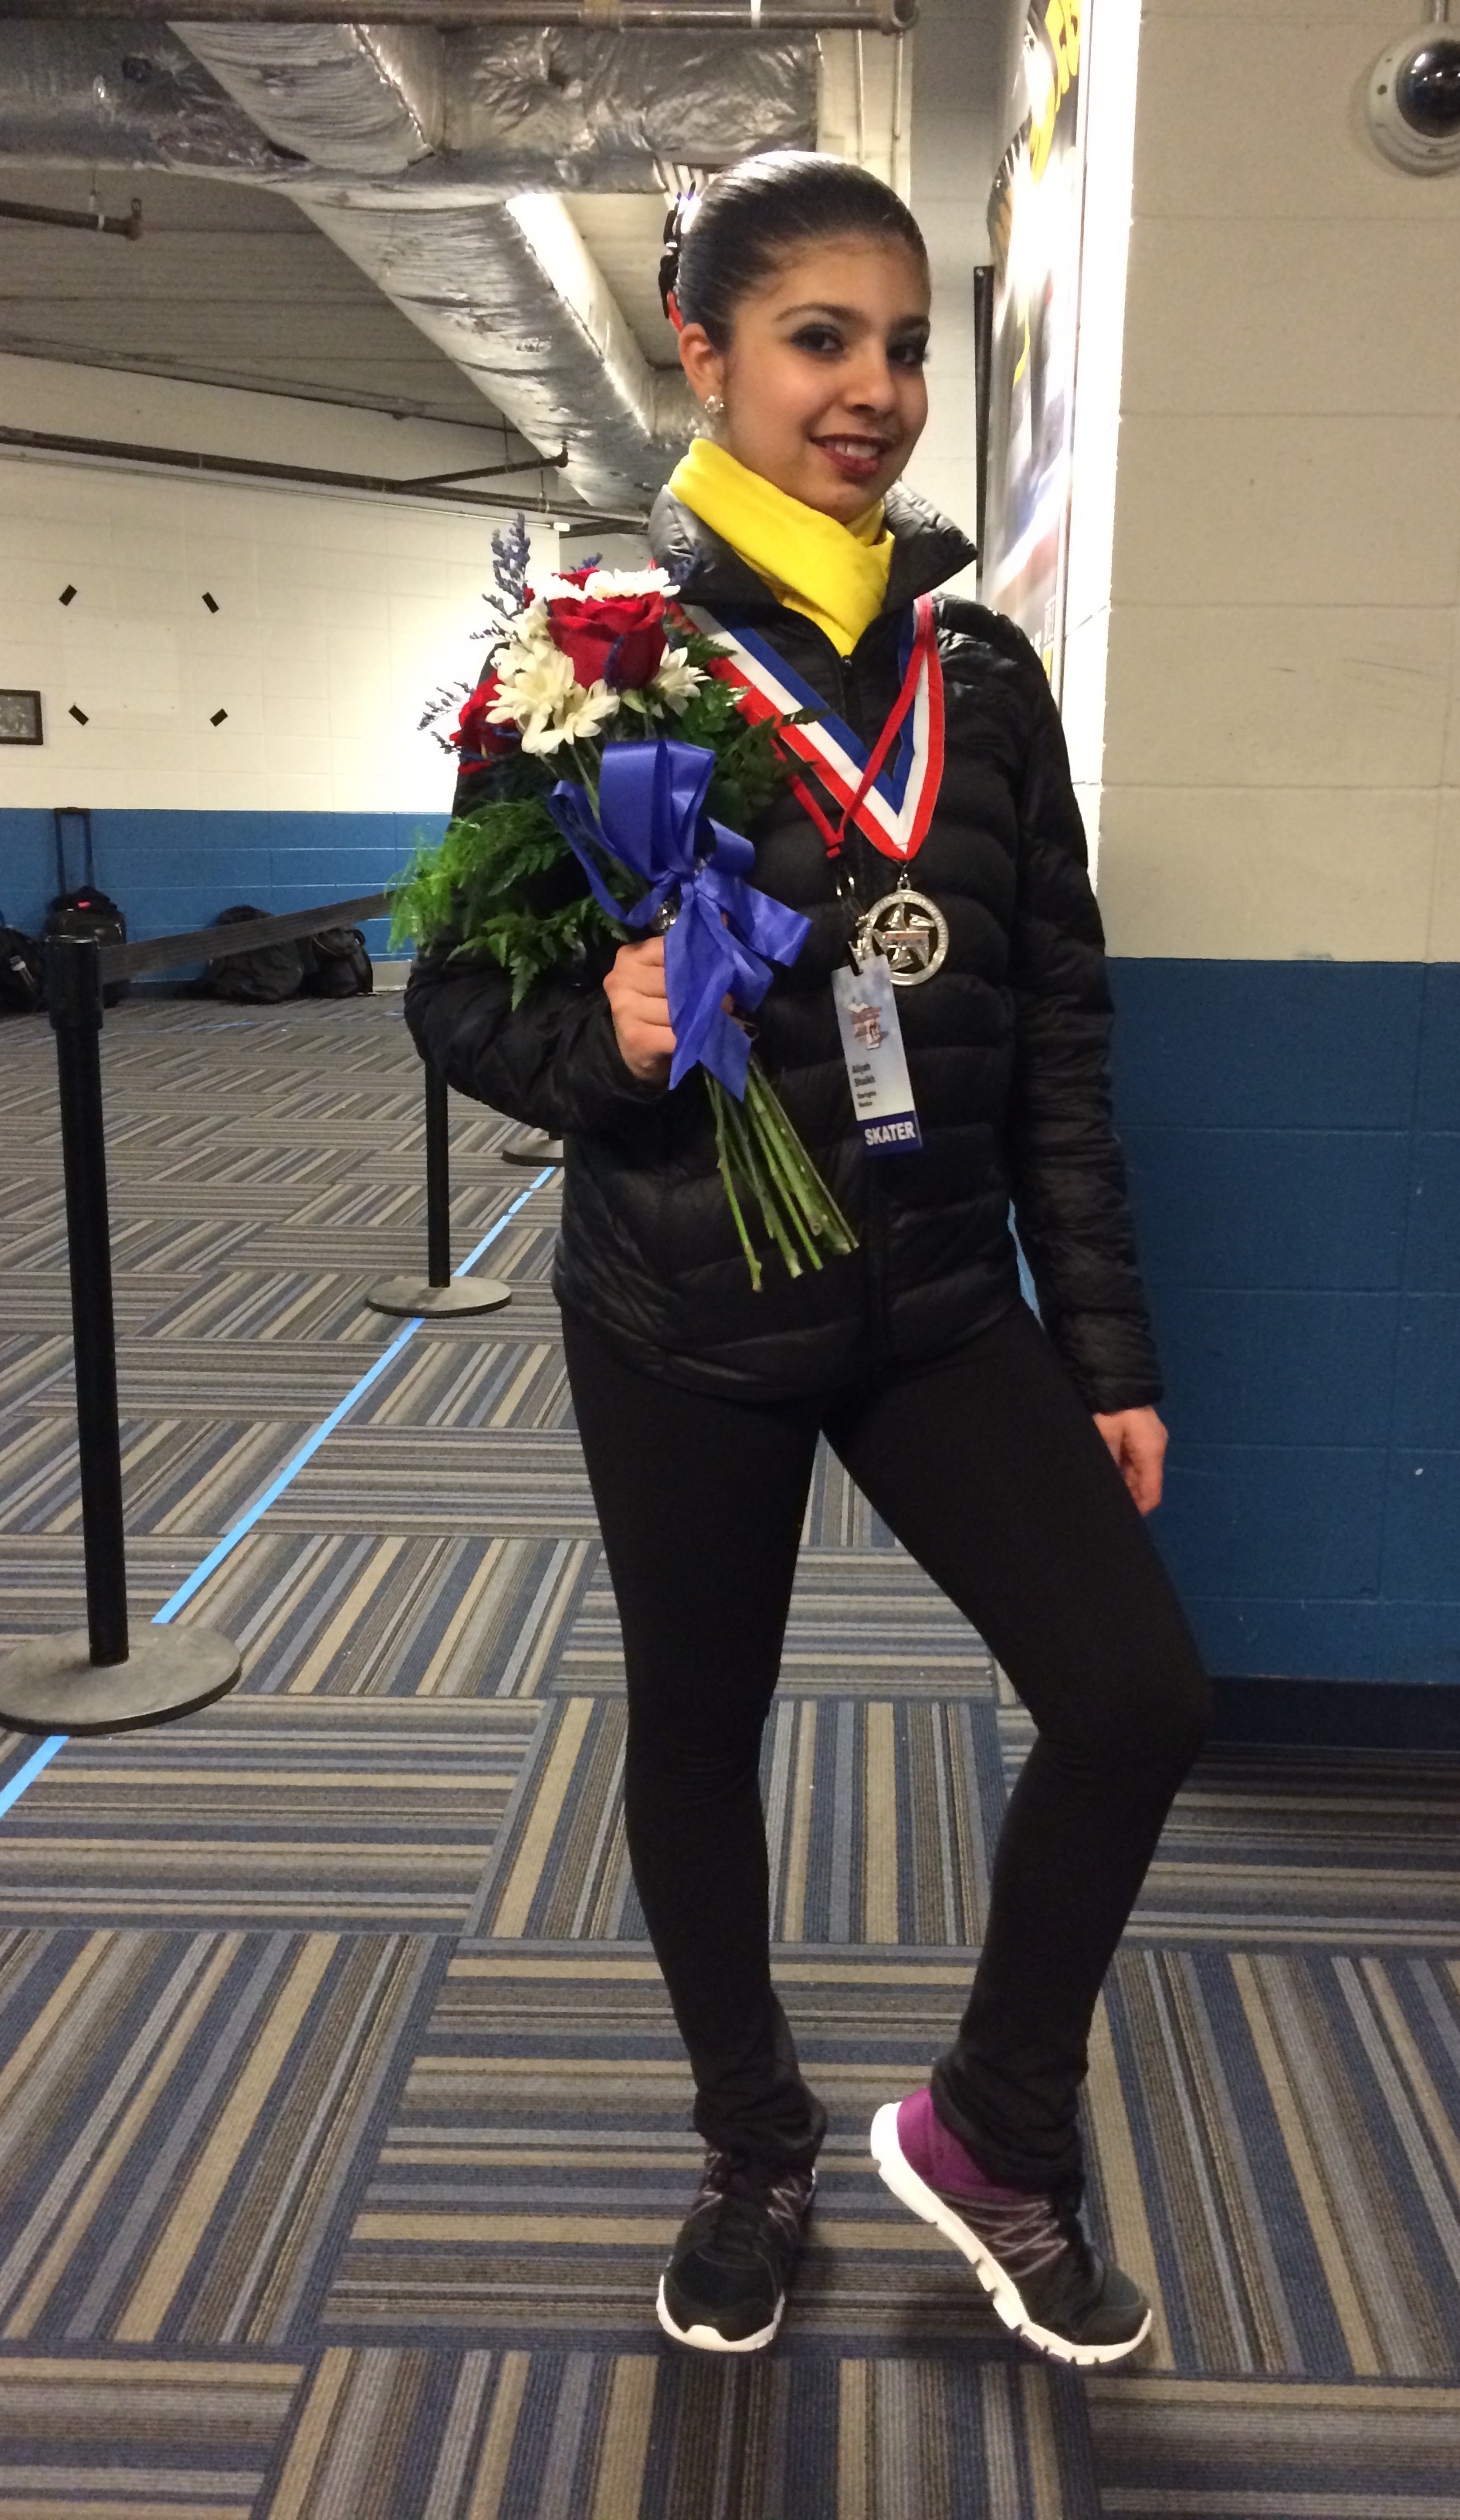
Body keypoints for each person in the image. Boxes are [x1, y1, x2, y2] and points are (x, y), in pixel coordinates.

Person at [408, 151, 1210, 2366]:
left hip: (942, 1295)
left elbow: (1056, 1034)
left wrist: (1110, 1346)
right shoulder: (594, 663)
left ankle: (990, 2136)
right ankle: (752, 2144)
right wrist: (608, 1036)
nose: (873, 389)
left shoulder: (988, 673)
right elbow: (452, 1000)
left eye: (902, 346)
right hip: (680, 1307)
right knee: (700, 1734)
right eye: (820, 340)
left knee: (1141, 1694)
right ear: (709, 351)